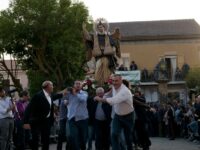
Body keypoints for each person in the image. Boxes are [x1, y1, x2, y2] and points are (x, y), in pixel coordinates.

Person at [94, 74, 134, 150]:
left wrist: (100, 99)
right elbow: (110, 93)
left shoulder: (125, 91)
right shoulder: (114, 86)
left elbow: (113, 100)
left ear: (121, 81)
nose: (114, 83)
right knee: (114, 134)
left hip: (128, 116)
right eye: (113, 81)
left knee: (128, 138)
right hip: (117, 116)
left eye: (116, 81)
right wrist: (105, 95)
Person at [23, 81, 65, 150]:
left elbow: (57, 95)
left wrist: (65, 92)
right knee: (35, 140)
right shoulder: (38, 95)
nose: (53, 87)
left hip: (46, 121)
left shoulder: (50, 95)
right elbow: (29, 108)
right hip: (36, 121)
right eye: (51, 85)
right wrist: (25, 122)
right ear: (47, 86)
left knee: (46, 140)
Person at [83, 18, 121, 85]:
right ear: (97, 28)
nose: (100, 28)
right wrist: (84, 29)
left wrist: (114, 50)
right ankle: (99, 83)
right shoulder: (94, 36)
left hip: (107, 57)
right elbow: (88, 37)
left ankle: (106, 82)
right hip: (99, 57)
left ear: (104, 27)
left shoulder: (108, 36)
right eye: (99, 27)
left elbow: (114, 44)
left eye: (101, 27)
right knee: (98, 68)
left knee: (106, 69)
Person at [66, 81, 88, 150]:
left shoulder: (84, 93)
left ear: (81, 86)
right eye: (76, 84)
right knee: (73, 136)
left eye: (79, 84)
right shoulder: (69, 94)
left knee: (83, 139)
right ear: (74, 85)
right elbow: (64, 100)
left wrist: (75, 93)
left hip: (83, 119)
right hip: (72, 119)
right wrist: (65, 101)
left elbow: (83, 99)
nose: (78, 85)